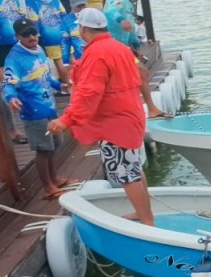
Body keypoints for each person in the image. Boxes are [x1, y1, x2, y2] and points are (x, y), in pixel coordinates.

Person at [47, 8, 153, 225]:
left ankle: (148, 221)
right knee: (133, 168)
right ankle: (143, 213)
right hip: (130, 114)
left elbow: (89, 94)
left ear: (83, 28)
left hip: (115, 122)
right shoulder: (119, 47)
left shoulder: (96, 54)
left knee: (126, 174)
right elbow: (140, 73)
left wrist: (66, 119)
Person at [3, 17, 74, 198]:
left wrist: (61, 86)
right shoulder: (14, 59)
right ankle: (48, 187)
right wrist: (11, 98)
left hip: (49, 106)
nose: (31, 37)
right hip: (33, 111)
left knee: (54, 144)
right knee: (42, 149)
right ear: (18, 36)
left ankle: (55, 178)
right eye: (26, 34)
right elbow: (8, 83)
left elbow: (46, 76)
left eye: (33, 32)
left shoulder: (40, 50)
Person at [0, 0, 29, 143]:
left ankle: (30, 123)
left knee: (25, 84)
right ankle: (13, 130)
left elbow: (24, 17)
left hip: (18, 45)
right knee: (7, 87)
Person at [26, 0, 69, 86]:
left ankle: (67, 85)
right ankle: (73, 83)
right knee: (68, 60)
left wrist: (35, 35)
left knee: (58, 61)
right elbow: (63, 13)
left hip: (49, 36)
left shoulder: (32, 2)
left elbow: (34, 20)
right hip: (62, 32)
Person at [60, 0, 86, 69]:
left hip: (96, 57)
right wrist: (65, 62)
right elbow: (65, 43)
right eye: (78, 6)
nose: (81, 9)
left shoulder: (93, 16)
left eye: (83, 5)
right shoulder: (66, 20)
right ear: (72, 6)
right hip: (80, 61)